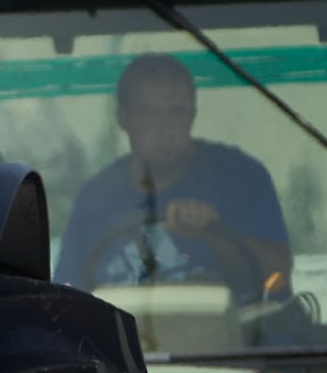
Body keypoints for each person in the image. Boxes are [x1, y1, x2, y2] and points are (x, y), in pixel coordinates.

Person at [56, 54, 292, 299]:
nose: (164, 127)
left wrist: (213, 235)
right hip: (121, 338)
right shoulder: (94, 199)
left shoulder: (243, 179)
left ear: (192, 115)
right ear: (123, 119)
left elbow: (277, 277)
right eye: (149, 113)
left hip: (239, 338)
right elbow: (64, 302)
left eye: (176, 112)